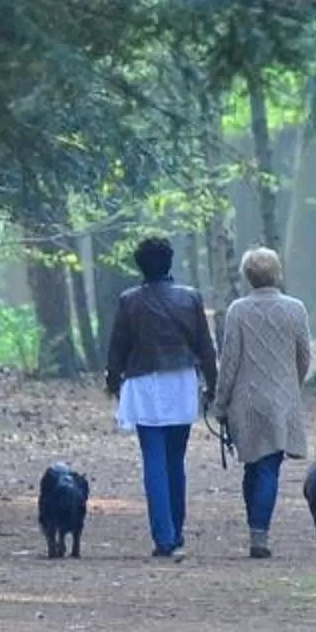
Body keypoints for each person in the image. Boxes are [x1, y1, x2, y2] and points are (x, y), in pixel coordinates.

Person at [102, 235, 217, 558]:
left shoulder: (129, 300)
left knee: (153, 457)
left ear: (140, 265)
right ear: (169, 262)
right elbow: (205, 347)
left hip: (144, 381)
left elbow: (118, 346)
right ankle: (176, 530)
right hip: (180, 380)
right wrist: (213, 385)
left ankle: (163, 536)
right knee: (175, 459)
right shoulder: (190, 298)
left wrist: (113, 380)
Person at [213, 246, 311, 558]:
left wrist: (220, 401)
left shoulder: (238, 311)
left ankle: (255, 528)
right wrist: (292, 384)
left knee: (252, 466)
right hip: (281, 400)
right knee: (270, 467)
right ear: (277, 273)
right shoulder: (296, 309)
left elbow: (229, 362)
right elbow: (304, 356)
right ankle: (260, 535)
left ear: (247, 276)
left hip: (246, 400)